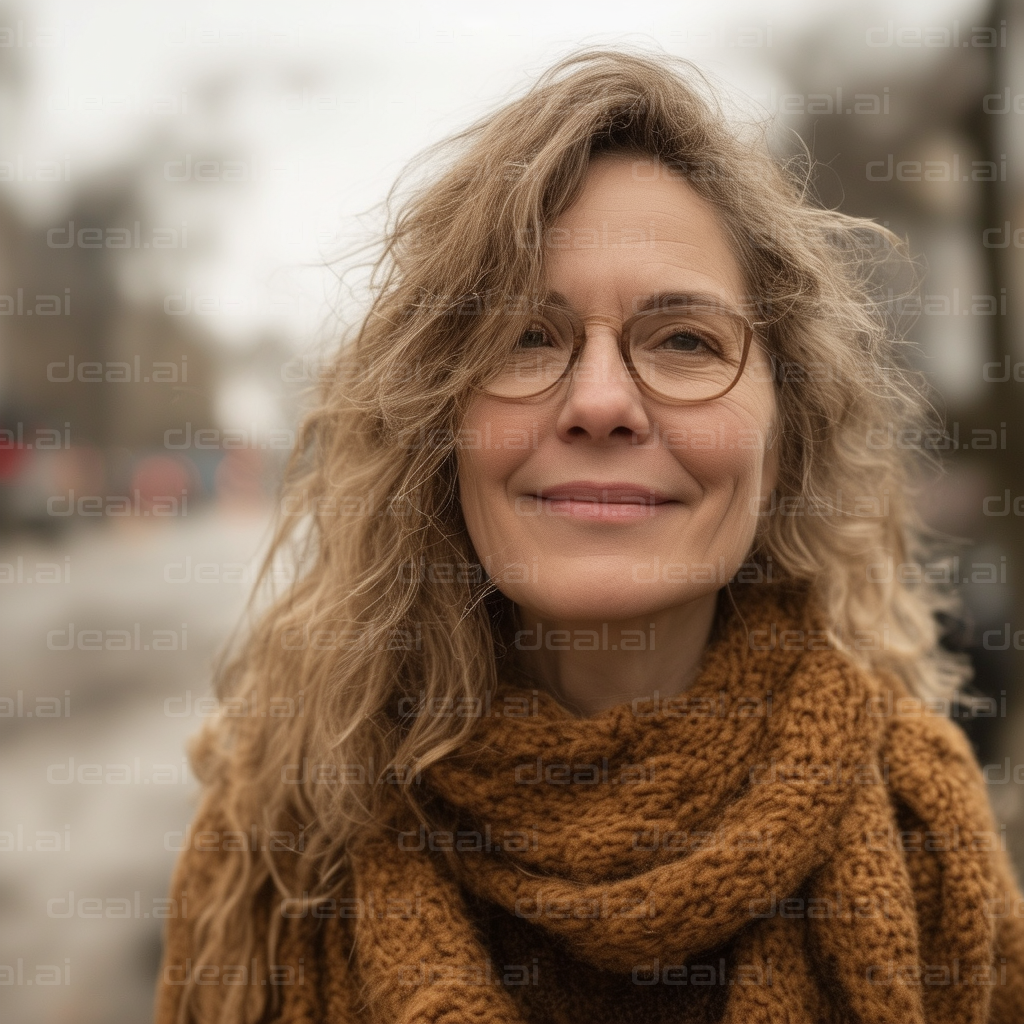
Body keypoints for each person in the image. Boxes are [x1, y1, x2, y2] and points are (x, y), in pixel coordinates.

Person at [154, 47, 1024, 1024]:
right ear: (440, 431)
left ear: (785, 438)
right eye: (526, 336)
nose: (602, 401)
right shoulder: (275, 835)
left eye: (685, 340)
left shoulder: (920, 825)